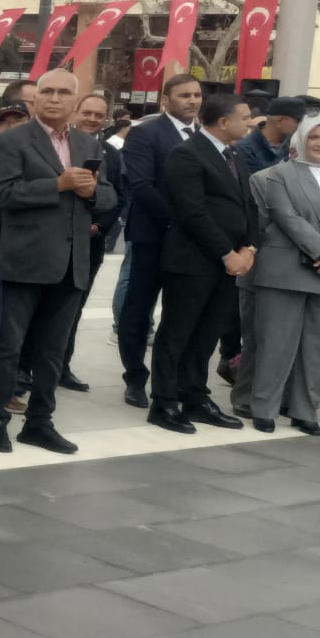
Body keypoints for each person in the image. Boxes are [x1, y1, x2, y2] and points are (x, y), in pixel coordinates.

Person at [0, 69, 115, 456]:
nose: (55, 98)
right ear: (35, 98)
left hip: (71, 263)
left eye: (63, 92)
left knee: (53, 351)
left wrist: (92, 192)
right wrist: (57, 185)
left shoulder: (88, 142)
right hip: (23, 261)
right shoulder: (13, 140)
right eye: (47, 91)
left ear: (76, 100)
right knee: (8, 347)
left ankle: (40, 421)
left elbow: (109, 197)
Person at [150, 91, 257, 434]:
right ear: (224, 121)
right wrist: (227, 253)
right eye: (244, 117)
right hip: (192, 262)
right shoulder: (187, 154)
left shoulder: (234, 153)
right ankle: (164, 402)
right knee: (177, 333)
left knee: (207, 333)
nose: (249, 123)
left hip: (229, 264)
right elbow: (192, 212)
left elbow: (248, 205)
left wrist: (249, 248)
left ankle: (194, 396)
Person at [244, 115, 320, 434]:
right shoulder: (279, 174)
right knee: (276, 343)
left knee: (317, 346)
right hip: (285, 269)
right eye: (314, 137)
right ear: (302, 140)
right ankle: (264, 407)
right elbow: (286, 218)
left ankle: (304, 409)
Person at [118, 73, 206, 407]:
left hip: (192, 242)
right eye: (185, 95)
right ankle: (135, 377)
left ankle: (172, 379)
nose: (193, 101)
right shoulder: (146, 132)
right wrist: (180, 221)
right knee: (139, 310)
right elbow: (141, 186)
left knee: (181, 311)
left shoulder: (204, 135)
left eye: (197, 95)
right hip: (153, 236)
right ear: (166, 100)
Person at [58, 91, 124, 391]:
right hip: (54, 239)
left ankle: (62, 365)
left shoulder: (111, 153)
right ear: (76, 112)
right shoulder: (58, 145)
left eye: (99, 115)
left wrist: (98, 226)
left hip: (90, 242)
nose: (92, 119)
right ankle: (28, 368)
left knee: (75, 306)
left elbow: (118, 195)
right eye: (87, 112)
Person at [238, 96, 304, 175]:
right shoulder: (244, 148)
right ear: (280, 121)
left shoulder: (296, 145)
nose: (301, 126)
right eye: (297, 121)